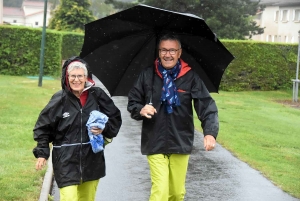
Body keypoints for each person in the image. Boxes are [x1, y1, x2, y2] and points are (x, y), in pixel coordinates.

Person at [127, 34, 219, 201]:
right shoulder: (148, 75)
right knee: (160, 192)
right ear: (158, 51)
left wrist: (210, 132)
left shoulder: (190, 77)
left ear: (179, 52)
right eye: (163, 50)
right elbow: (133, 102)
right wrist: (141, 109)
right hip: (154, 140)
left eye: (171, 50)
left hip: (181, 140)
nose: (167, 54)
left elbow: (206, 106)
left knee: (176, 193)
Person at [33, 56, 122, 201]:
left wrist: (104, 128)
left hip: (92, 160)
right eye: (72, 76)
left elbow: (115, 119)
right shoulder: (59, 99)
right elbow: (43, 127)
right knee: (69, 198)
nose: (76, 80)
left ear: (86, 77)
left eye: (80, 76)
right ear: (66, 78)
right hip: (65, 160)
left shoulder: (97, 95)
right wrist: (42, 152)